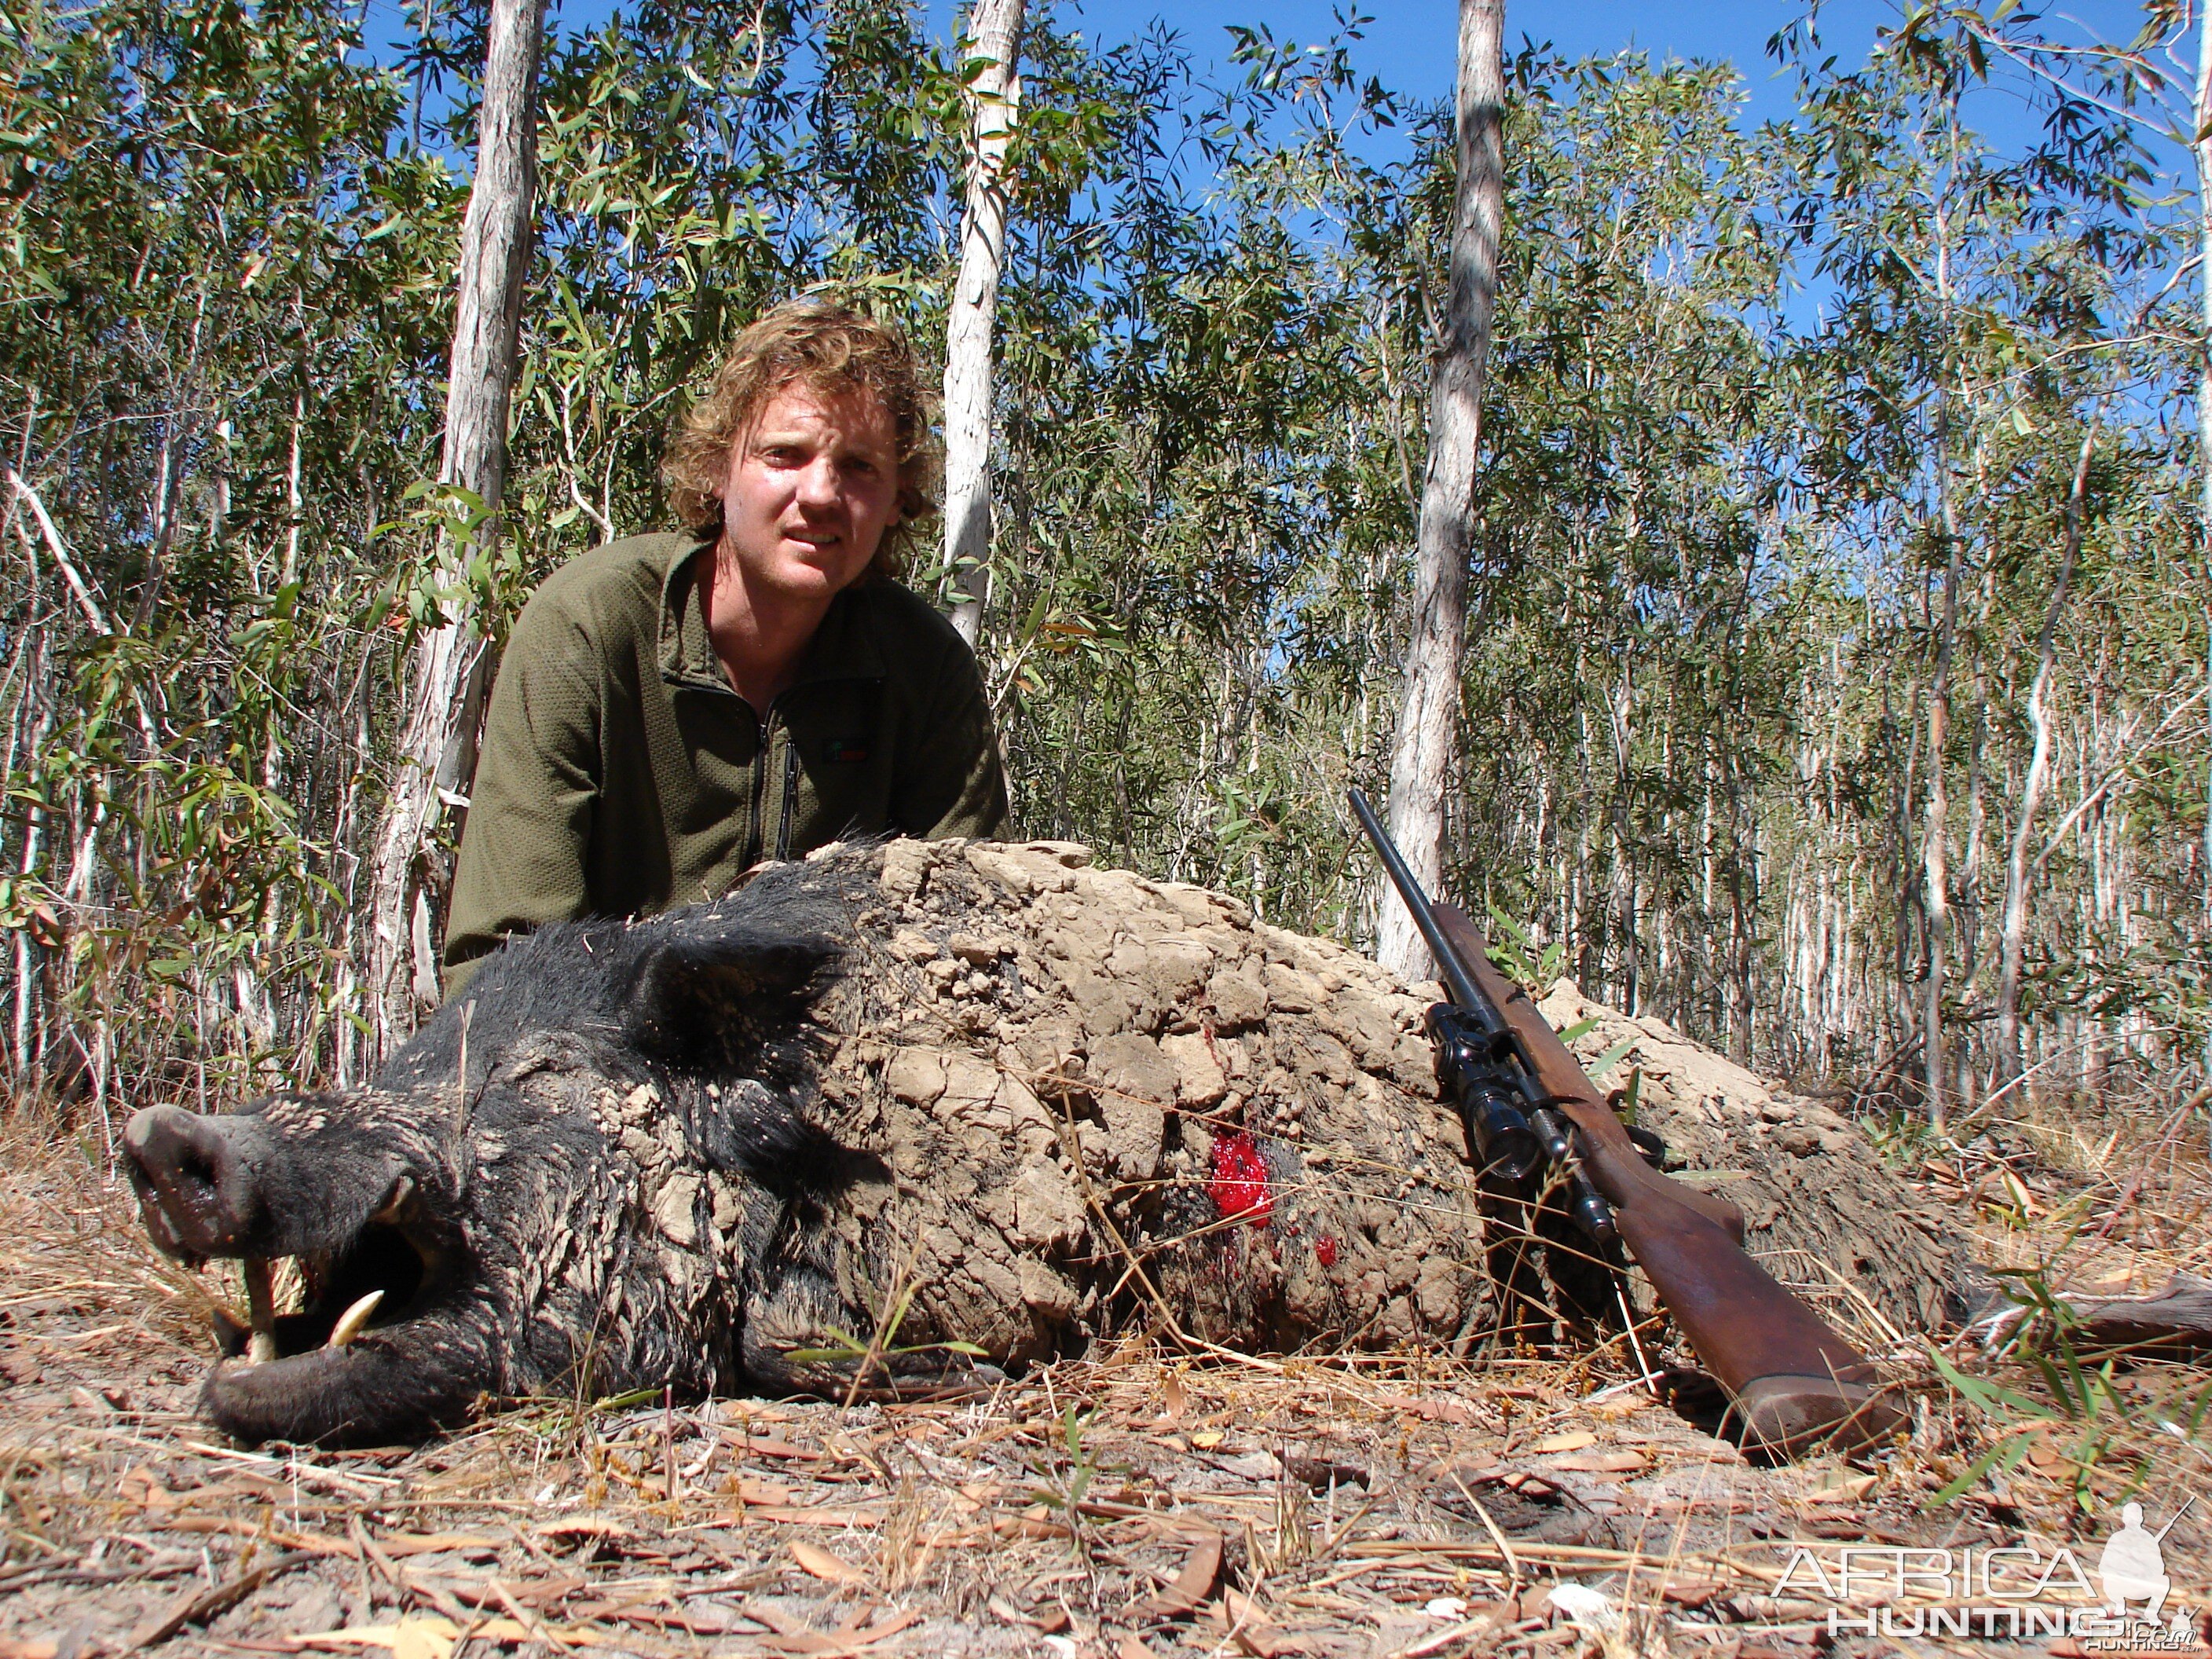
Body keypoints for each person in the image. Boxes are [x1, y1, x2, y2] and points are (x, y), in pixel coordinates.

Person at [441, 301, 1010, 997]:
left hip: (837, 1064)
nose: (822, 493)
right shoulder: (589, 628)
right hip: (594, 1054)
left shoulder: (924, 670)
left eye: (859, 466)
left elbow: (971, 943)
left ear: (898, 499)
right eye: (784, 455)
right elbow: (502, 958)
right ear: (719, 468)